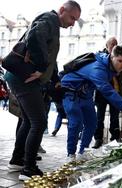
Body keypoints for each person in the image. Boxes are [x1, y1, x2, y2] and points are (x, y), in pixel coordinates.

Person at [5, 1, 81, 180]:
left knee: (29, 121)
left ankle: (17, 160)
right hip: (24, 78)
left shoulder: (53, 24)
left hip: (22, 78)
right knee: (39, 121)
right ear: (62, 10)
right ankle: (28, 169)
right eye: (72, 18)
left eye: (76, 20)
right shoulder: (49, 19)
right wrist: (39, 67)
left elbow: (50, 58)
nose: (73, 23)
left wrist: (55, 80)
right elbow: (35, 36)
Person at [61, 45, 122, 160]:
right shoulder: (97, 68)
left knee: (92, 123)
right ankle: (71, 154)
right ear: (111, 56)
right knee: (76, 122)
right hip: (70, 92)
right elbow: (107, 90)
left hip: (86, 94)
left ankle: (82, 152)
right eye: (120, 61)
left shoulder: (110, 66)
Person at [92, 37, 122, 148]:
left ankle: (115, 139)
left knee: (114, 117)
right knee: (99, 117)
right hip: (101, 93)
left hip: (115, 92)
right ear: (107, 46)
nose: (114, 46)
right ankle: (98, 139)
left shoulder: (120, 58)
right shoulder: (100, 57)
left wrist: (118, 72)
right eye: (112, 44)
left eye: (116, 44)